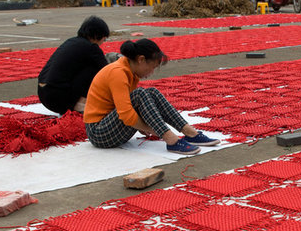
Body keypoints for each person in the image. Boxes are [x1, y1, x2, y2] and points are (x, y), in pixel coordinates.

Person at [83, 39, 219, 155]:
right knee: (140, 94)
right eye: (152, 67)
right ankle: (171, 139)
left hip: (110, 125)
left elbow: (130, 110)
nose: (151, 73)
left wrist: (146, 125)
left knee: (151, 92)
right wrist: (156, 130)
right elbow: (126, 115)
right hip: (98, 132)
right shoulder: (118, 73)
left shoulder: (130, 72)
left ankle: (190, 132)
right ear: (141, 60)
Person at [37, 16, 110, 114]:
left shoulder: (71, 41)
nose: (102, 43)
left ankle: (76, 102)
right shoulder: (92, 48)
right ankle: (80, 104)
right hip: (59, 99)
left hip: (43, 94)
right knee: (96, 69)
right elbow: (108, 72)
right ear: (97, 35)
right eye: (104, 39)